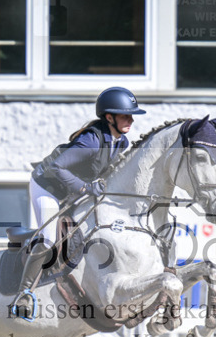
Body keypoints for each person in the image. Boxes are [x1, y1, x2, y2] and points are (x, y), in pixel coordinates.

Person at [11, 86, 147, 319]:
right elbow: (57, 167)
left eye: (131, 115)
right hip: (48, 186)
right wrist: (85, 188)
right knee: (50, 238)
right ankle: (24, 294)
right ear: (109, 117)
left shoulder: (121, 143)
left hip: (71, 190)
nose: (131, 120)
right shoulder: (91, 141)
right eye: (125, 115)